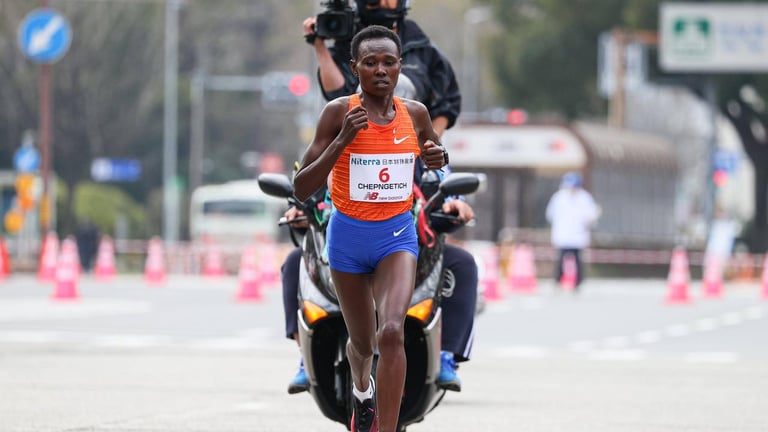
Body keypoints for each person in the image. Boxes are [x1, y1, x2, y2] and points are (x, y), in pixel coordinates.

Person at [287, 0, 476, 395]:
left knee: (461, 262)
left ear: (401, 64)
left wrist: (431, 158)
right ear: (357, 66)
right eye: (370, 63)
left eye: (390, 63)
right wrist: (321, 45)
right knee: (297, 257)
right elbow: (331, 101)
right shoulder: (341, 67)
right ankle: (307, 354)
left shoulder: (423, 55)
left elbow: (440, 122)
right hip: (343, 174)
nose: (381, 71)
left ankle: (445, 353)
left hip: (410, 186)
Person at [545, 172, 601, 291]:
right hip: (563, 233)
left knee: (578, 259)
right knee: (561, 258)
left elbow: (590, 215)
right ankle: (557, 280)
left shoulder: (584, 198)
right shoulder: (559, 197)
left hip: (578, 235)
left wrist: (591, 218)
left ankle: (578, 282)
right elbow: (550, 214)